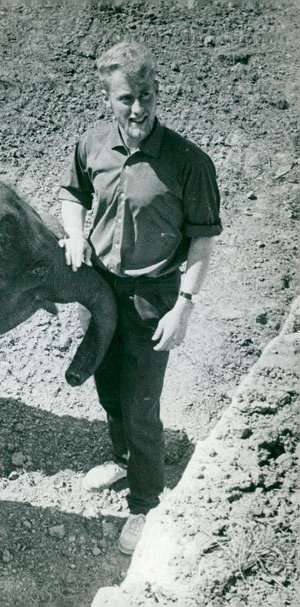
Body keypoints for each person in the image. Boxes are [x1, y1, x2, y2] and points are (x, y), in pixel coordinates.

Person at [57, 41, 222, 555]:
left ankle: (146, 502)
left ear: (158, 94)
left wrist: (184, 306)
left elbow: (202, 237)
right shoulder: (91, 146)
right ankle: (124, 457)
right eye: (126, 97)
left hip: (155, 295)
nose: (137, 108)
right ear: (108, 99)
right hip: (101, 289)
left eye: (146, 95)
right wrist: (75, 234)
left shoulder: (189, 162)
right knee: (107, 387)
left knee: (142, 402)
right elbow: (71, 195)